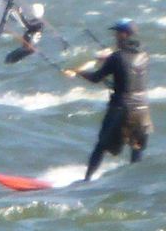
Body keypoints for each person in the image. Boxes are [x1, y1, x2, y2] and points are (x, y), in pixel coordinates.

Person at [63, 18, 153, 180]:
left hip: (122, 108)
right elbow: (128, 73)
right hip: (142, 109)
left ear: (124, 34)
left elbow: (96, 77)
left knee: (101, 146)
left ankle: (87, 180)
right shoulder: (144, 56)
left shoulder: (116, 57)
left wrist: (77, 72)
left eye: (117, 34)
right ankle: (135, 182)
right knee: (137, 148)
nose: (115, 37)